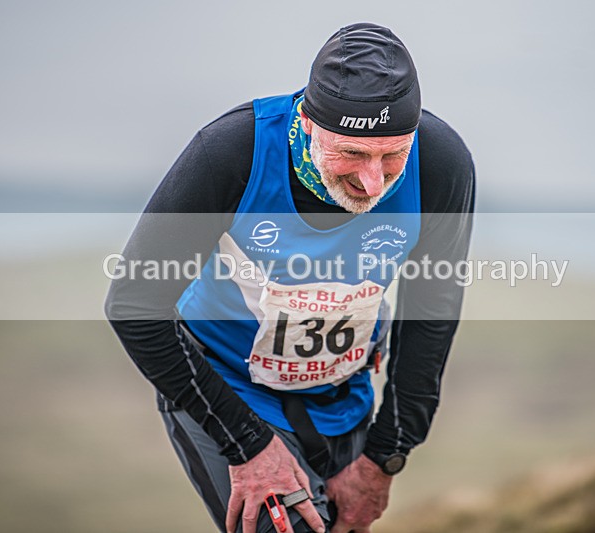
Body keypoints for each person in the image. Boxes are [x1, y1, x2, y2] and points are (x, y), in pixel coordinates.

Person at [105, 22, 475, 533]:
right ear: (305, 122)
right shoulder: (230, 151)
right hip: (227, 388)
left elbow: (432, 312)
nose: (372, 182)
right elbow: (133, 304)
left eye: (392, 156)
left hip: (343, 395)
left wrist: (386, 455)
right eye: (352, 153)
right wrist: (246, 445)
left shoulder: (441, 162)